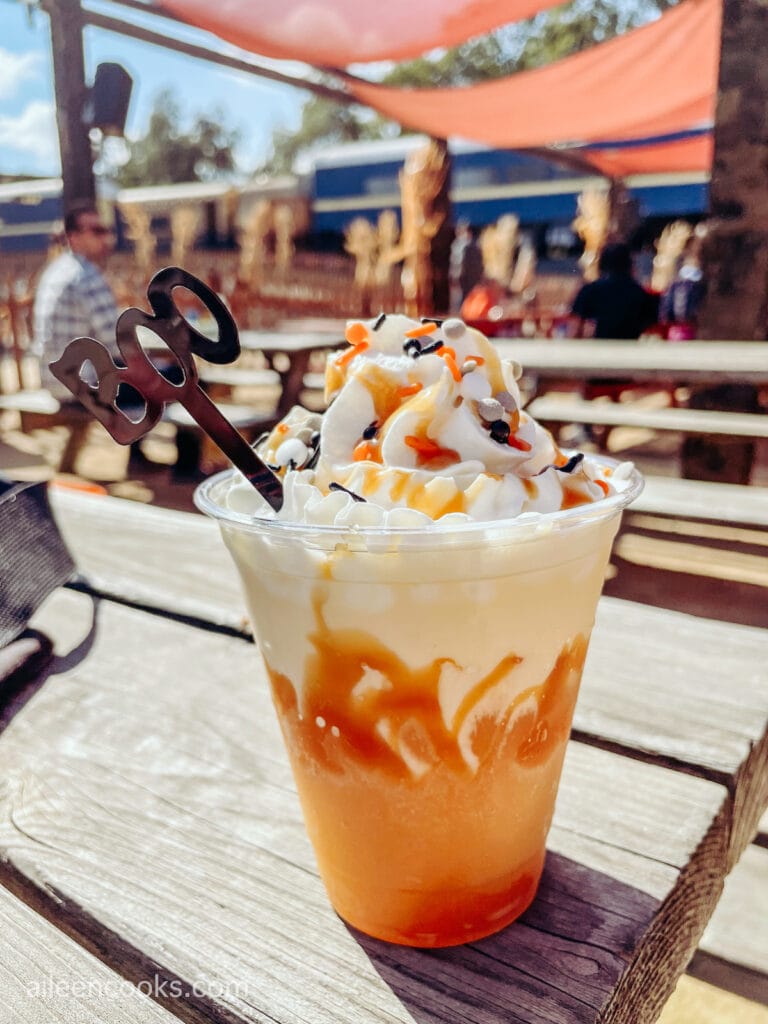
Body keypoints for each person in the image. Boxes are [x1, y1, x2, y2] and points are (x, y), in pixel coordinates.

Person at [570, 242, 659, 339]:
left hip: (598, 348)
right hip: (630, 348)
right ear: (629, 264)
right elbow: (651, 326)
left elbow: (575, 327)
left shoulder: (589, 290)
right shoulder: (640, 293)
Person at [449, 221, 484, 313]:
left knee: (459, 299)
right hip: (471, 279)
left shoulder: (460, 245)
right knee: (469, 299)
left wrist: (455, 276)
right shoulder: (476, 245)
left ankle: (460, 315)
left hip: (462, 279)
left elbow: (457, 263)